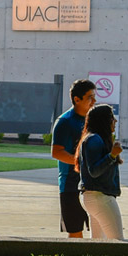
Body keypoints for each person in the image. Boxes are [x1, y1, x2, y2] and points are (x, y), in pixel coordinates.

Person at [51, 79, 96, 237]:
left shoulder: (92, 120)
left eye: (94, 96)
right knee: (75, 233)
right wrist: (81, 163)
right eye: (90, 97)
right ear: (77, 99)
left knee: (99, 232)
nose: (94, 101)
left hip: (92, 184)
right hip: (70, 186)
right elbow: (56, 152)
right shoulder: (65, 121)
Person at [76, 104, 124, 239]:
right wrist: (112, 155)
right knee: (117, 242)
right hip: (99, 197)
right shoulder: (94, 139)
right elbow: (94, 171)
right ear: (103, 121)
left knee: (98, 242)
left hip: (93, 197)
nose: (115, 121)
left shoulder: (94, 138)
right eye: (112, 118)